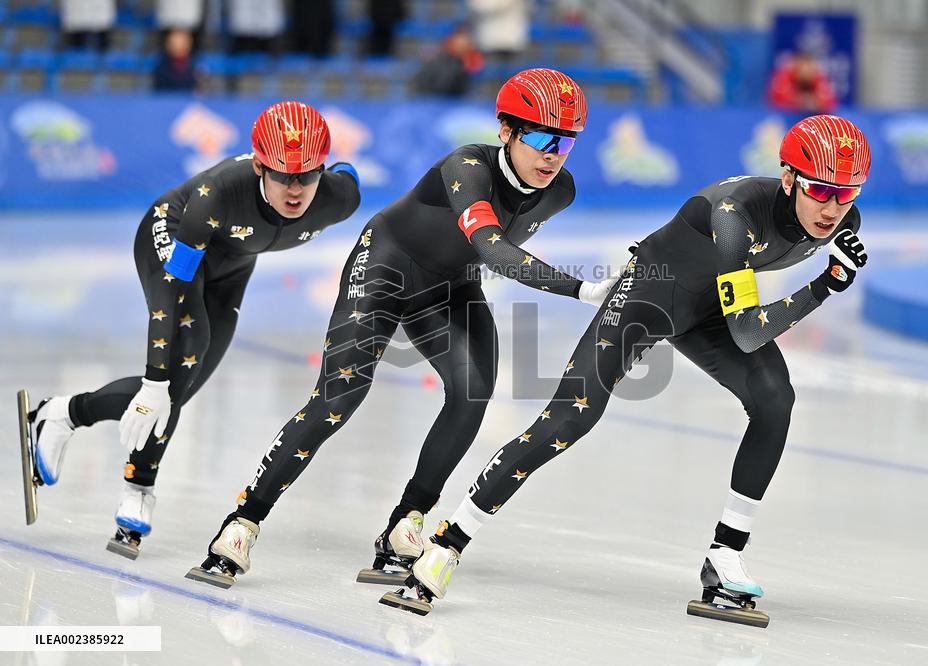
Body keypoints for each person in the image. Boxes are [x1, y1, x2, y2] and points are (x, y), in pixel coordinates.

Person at [389, 115, 871, 625]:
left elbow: (742, 320)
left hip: (713, 310)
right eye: (821, 189)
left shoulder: (845, 218)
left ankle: (724, 554)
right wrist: (826, 284)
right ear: (790, 177)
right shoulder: (736, 215)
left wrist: (824, 272)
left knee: (775, 398)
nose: (833, 207)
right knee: (570, 418)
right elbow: (751, 331)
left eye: (848, 193)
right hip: (651, 294)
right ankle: (449, 541)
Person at [185, 68, 620, 589]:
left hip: (450, 287)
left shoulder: (560, 191)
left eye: (566, 142)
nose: (554, 155)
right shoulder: (467, 167)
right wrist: (580, 289)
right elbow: (492, 249)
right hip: (386, 269)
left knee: (473, 392)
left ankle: (405, 523)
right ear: (506, 130)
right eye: (543, 138)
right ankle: (242, 522)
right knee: (340, 396)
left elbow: (476, 257)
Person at [23, 101, 361, 559]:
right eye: (282, 175)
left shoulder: (337, 198)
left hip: (231, 269)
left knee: (182, 387)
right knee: (182, 355)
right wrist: (152, 378)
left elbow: (348, 176)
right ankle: (138, 487)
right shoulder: (217, 194)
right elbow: (172, 287)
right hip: (175, 240)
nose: (296, 188)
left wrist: (164, 387)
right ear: (260, 165)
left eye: (308, 174)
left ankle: (61, 413)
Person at [767, 51, 838, 114]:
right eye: (802, 68)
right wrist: (798, 101)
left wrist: (814, 102)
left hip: (812, 119)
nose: (805, 72)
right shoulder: (784, 77)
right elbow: (775, 100)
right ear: (796, 67)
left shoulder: (820, 79)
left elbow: (830, 103)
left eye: (808, 69)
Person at [153, 28, 200, 93]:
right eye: (174, 43)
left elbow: (203, 90)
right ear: (168, 45)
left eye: (182, 43)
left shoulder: (197, 64)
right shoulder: (160, 65)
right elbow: (158, 90)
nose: (178, 46)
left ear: (189, 44)